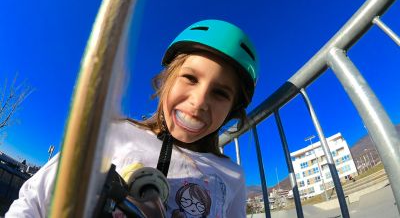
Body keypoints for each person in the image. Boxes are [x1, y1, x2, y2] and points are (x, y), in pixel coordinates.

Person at [6, 19, 259, 217]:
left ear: (232, 111)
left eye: (220, 93)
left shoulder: (231, 176)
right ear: (166, 80)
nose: (200, 101)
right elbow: (36, 198)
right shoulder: (116, 134)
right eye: (190, 78)